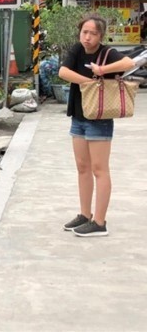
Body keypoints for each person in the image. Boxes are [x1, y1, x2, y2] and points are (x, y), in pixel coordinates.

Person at [58, 13, 134, 237]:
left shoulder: (107, 53)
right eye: (84, 32)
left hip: (99, 120)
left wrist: (102, 71)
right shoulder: (77, 49)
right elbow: (63, 72)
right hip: (79, 117)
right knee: (82, 167)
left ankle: (100, 222)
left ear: (101, 36)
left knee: (99, 169)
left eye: (93, 33)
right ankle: (85, 214)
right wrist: (90, 82)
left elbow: (129, 63)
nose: (87, 37)